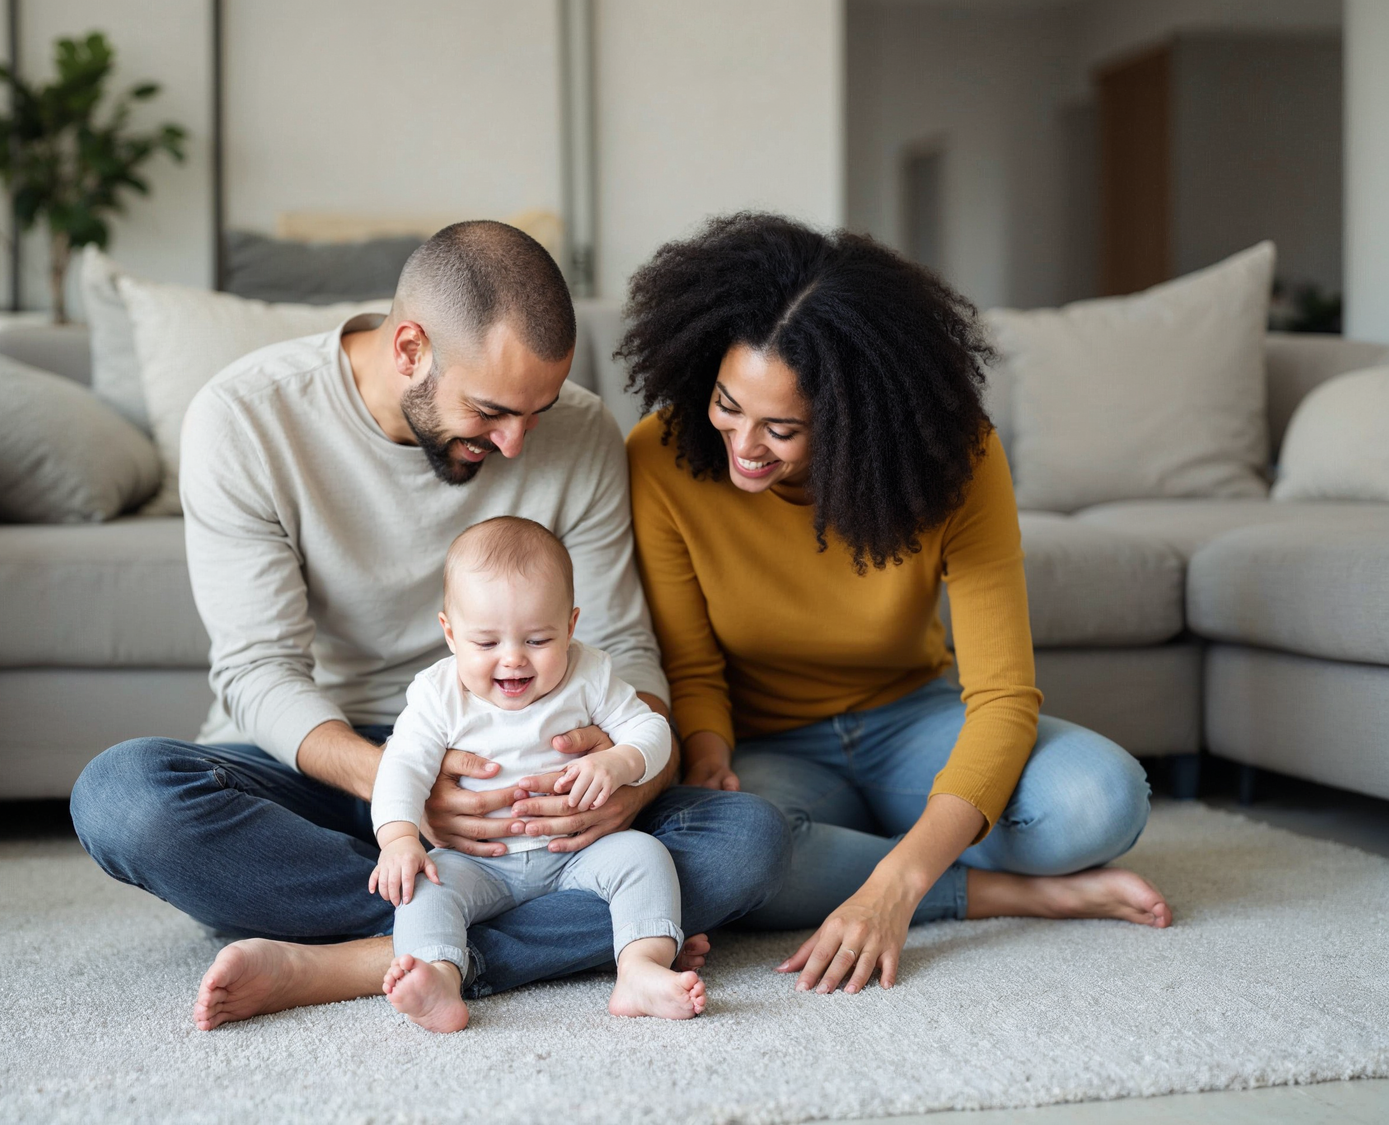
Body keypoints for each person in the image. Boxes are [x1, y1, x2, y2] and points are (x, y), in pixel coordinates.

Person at [68, 221, 786, 1030]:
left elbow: (625, 656)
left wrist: (626, 784)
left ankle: (359, 959)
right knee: (124, 799)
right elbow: (258, 672)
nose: (517, 442)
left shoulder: (579, 432)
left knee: (748, 838)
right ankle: (500, 937)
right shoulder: (245, 418)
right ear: (409, 348)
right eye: (491, 410)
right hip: (338, 770)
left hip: (529, 787)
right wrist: (401, 790)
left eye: (537, 411)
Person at [622, 213, 1172, 999]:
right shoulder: (662, 454)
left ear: (856, 420)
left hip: (913, 720)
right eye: (726, 404)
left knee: (1103, 799)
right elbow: (693, 663)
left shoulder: (956, 459)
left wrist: (895, 885)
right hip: (767, 743)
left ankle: (891, 854)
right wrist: (708, 751)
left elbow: (1005, 697)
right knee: (712, 857)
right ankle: (1002, 890)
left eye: (782, 428)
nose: (742, 445)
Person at [371, 517, 705, 1032]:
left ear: (570, 627)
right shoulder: (437, 693)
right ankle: (439, 976)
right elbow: (402, 764)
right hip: (477, 863)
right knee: (420, 887)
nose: (512, 660)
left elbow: (652, 729)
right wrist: (397, 838)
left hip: (577, 853)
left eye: (537, 639)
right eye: (485, 643)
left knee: (645, 855)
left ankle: (640, 968)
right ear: (450, 633)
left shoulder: (590, 672)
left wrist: (620, 762)